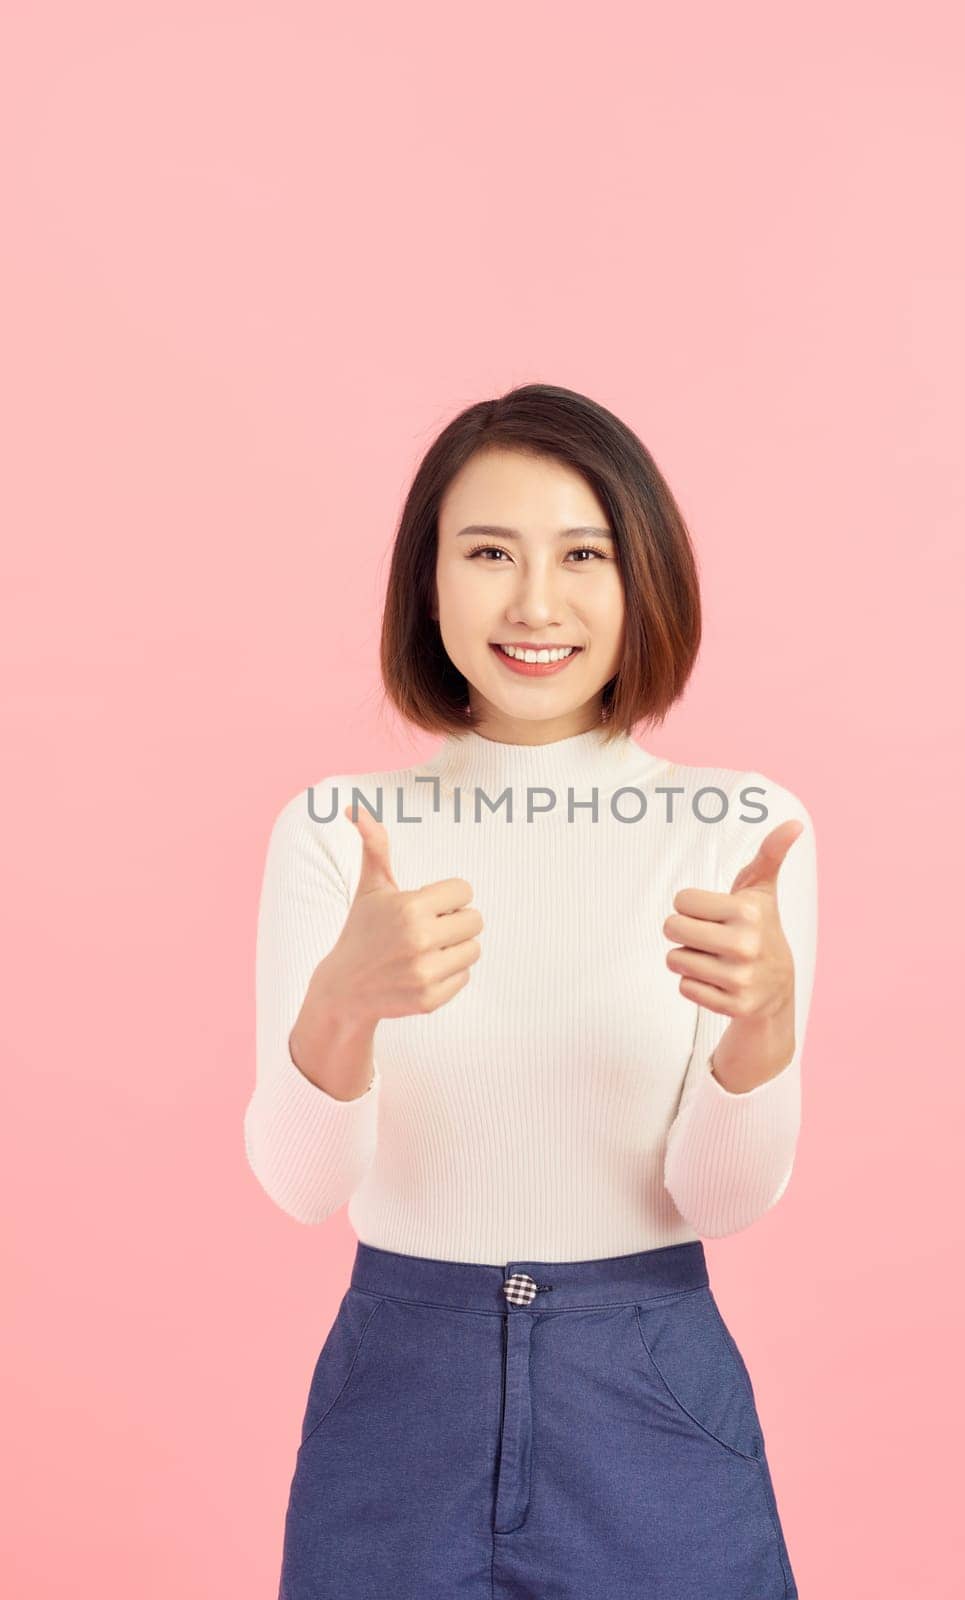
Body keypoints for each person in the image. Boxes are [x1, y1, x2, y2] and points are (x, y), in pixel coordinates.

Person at [245, 382, 817, 1600]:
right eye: (490, 551)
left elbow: (722, 1196)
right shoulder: (338, 833)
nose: (537, 602)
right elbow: (304, 1188)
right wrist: (341, 1004)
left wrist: (762, 1030)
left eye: (584, 555)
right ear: (428, 580)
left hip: (651, 1386)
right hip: (399, 1388)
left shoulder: (741, 829)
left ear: (642, 577)